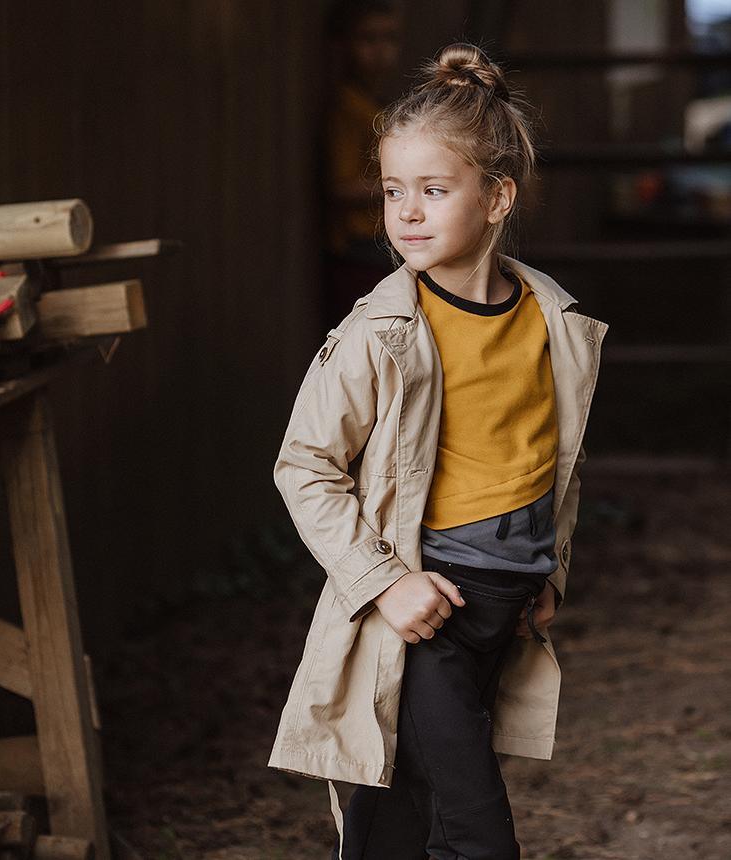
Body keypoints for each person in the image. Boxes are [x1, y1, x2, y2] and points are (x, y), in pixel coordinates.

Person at [267, 41, 609, 859]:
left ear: (496, 198)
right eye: (392, 191)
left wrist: (548, 570)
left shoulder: (551, 321)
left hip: (506, 604)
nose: (406, 212)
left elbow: (552, 461)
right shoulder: (379, 333)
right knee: (476, 833)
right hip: (428, 617)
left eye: (432, 189)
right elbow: (304, 466)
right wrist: (386, 585)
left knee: (404, 811)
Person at [322, 0, 403, 323]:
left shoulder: (377, 103)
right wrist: (400, 188)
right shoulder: (347, 107)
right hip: (356, 247)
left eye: (389, 38)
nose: (381, 50)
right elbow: (339, 186)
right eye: (369, 39)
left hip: (382, 243)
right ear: (343, 45)